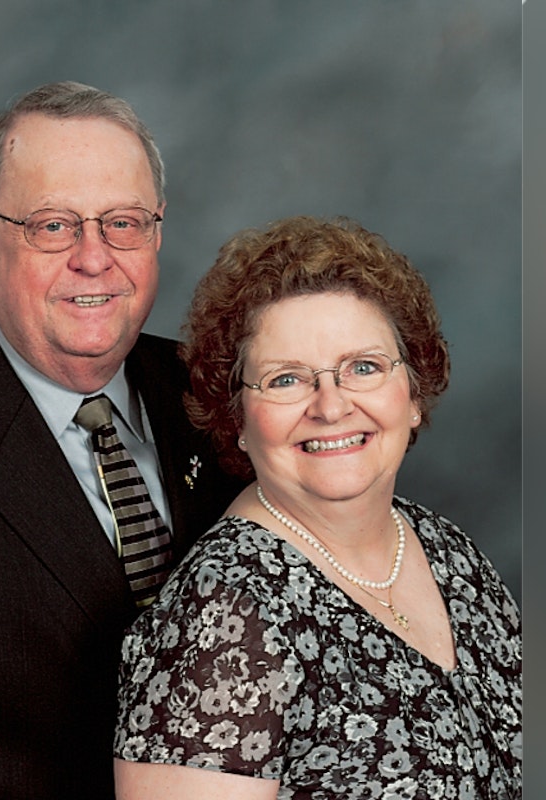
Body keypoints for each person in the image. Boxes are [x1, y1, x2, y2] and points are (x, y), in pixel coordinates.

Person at [0, 82, 242, 799]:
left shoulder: (229, 400)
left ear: (158, 233)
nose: (93, 257)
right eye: (52, 225)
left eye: (123, 222)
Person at [112, 217, 522, 798]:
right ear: (238, 421)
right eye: (286, 380)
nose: (331, 407)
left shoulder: (447, 551)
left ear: (412, 393)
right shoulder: (225, 618)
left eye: (363, 367)